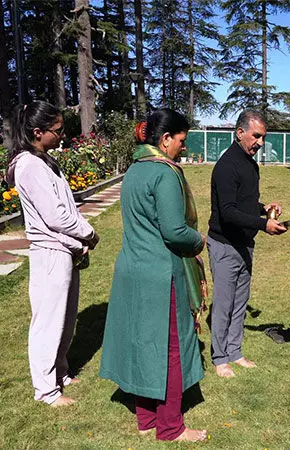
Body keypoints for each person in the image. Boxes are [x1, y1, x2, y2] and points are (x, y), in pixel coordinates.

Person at [99, 109, 207, 442]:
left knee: (144, 344)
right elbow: (175, 231)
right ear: (165, 139)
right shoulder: (164, 173)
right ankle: (171, 428)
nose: (183, 148)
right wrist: (198, 239)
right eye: (181, 141)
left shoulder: (133, 170)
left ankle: (146, 419)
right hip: (161, 275)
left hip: (133, 270)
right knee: (171, 348)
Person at [6, 101, 99, 407]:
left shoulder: (42, 160)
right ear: (37, 132)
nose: (63, 135)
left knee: (66, 318)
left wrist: (77, 243)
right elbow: (56, 216)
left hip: (64, 250)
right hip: (50, 254)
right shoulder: (29, 166)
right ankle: (46, 390)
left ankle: (60, 370)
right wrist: (88, 233)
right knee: (48, 322)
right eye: (57, 130)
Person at [208, 109, 287, 378]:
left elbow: (243, 204)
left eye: (263, 137)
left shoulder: (250, 163)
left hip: (244, 243)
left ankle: (235, 352)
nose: (260, 143)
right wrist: (263, 224)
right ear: (240, 132)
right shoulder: (227, 165)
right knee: (224, 304)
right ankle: (220, 358)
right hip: (224, 244)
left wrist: (264, 208)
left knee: (240, 302)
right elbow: (228, 211)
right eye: (256, 136)